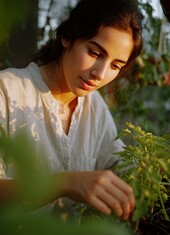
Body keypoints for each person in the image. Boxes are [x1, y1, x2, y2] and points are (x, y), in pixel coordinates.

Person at [0, 0, 143, 220]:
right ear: (67, 37)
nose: (100, 73)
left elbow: (120, 167)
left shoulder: (94, 106)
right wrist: (65, 182)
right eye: (95, 53)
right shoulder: (8, 90)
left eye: (115, 65)